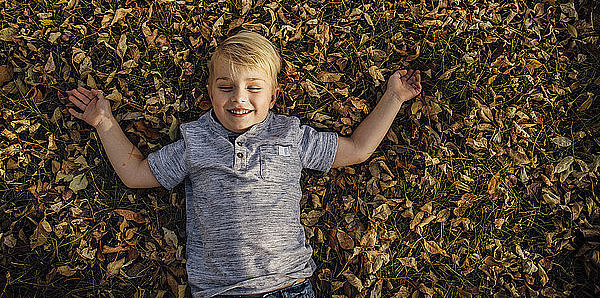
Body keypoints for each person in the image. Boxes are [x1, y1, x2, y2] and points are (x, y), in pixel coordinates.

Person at [66, 31, 422, 298]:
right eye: (226, 87)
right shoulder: (195, 141)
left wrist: (393, 97)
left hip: (289, 285)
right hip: (220, 291)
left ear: (273, 95)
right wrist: (104, 122)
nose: (239, 98)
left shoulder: (291, 135)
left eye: (254, 88)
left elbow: (358, 149)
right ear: (209, 93)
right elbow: (135, 174)